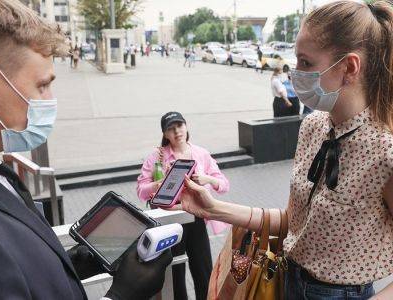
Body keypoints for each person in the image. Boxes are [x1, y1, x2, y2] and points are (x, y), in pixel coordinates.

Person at [168, 1, 393, 299]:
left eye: (306, 63)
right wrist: (214, 208)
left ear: (349, 67)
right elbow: (292, 221)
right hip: (286, 279)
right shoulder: (313, 126)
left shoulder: (385, 154)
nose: (294, 73)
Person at [0, 1, 172, 299]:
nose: (50, 100)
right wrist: (121, 296)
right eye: (41, 86)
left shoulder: (2, 173)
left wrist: (71, 263)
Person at [137, 112, 230, 300]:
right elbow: (141, 190)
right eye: (171, 128)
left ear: (186, 127)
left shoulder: (201, 153)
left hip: (196, 217)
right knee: (175, 272)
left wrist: (207, 179)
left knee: (203, 270)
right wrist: (160, 183)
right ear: (165, 134)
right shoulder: (157, 156)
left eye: (179, 126)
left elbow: (224, 184)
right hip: (170, 220)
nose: (177, 131)